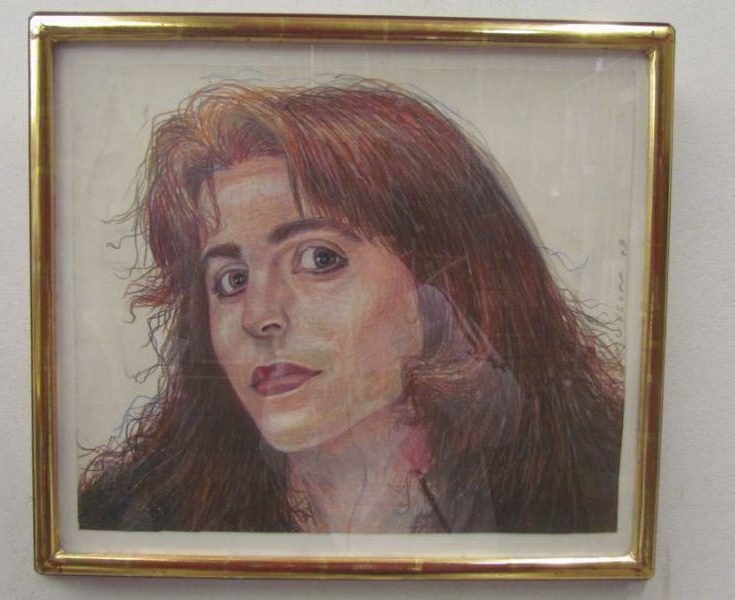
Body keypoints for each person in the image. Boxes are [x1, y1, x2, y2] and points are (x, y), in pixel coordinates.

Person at [79, 78, 623, 533]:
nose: (258, 316)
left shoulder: (590, 497)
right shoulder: (134, 523)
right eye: (232, 279)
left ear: (446, 278)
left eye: (319, 259)